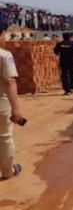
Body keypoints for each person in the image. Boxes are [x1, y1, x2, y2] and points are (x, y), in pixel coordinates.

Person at [0, 46, 23, 180]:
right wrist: (16, 108)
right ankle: (8, 171)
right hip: (1, 104)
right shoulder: (4, 55)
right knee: (4, 138)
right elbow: (9, 81)